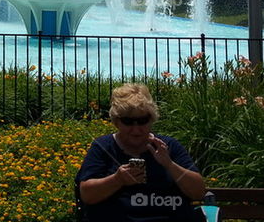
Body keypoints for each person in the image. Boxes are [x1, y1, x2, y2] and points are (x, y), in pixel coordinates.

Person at [76, 83, 205, 221]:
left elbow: (198, 192)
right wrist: (117, 180)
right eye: (128, 121)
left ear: (151, 119)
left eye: (142, 121)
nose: (136, 129)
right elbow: (87, 195)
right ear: (116, 122)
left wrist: (169, 164)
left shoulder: (169, 146)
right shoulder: (102, 147)